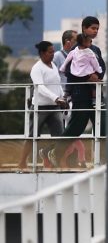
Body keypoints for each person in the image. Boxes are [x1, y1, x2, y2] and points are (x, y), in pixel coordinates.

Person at [22, 41, 68, 169]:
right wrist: (56, 98)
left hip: (54, 108)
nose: (53, 54)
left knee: (60, 137)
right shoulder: (37, 68)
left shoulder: (53, 65)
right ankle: (21, 162)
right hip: (40, 108)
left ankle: (52, 159)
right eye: (50, 52)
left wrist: (63, 98)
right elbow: (40, 87)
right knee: (32, 136)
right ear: (42, 53)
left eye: (53, 51)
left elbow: (57, 85)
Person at [62, 32, 102, 143]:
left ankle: (53, 152)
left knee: (101, 125)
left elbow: (101, 66)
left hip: (92, 94)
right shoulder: (78, 51)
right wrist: (89, 77)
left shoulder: (94, 49)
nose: (95, 31)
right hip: (80, 94)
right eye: (92, 28)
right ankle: (52, 151)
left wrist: (97, 76)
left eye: (97, 28)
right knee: (76, 127)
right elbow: (69, 73)